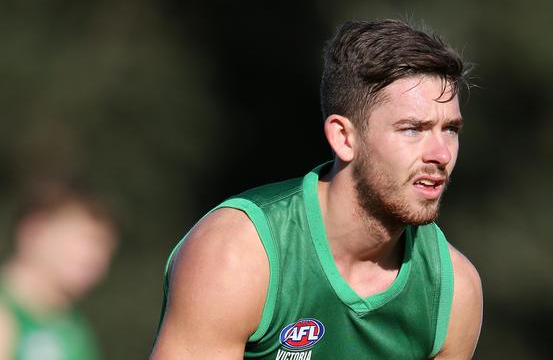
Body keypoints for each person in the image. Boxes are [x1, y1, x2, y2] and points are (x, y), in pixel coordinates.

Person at [151, 19, 483, 359]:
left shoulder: (453, 290)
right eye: (413, 129)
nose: (441, 154)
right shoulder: (238, 253)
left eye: (450, 130)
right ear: (343, 137)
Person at [0, 181, 117, 360]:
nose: (97, 258)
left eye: (106, 247)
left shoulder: (75, 327)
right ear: (33, 231)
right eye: (86, 239)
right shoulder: (6, 315)